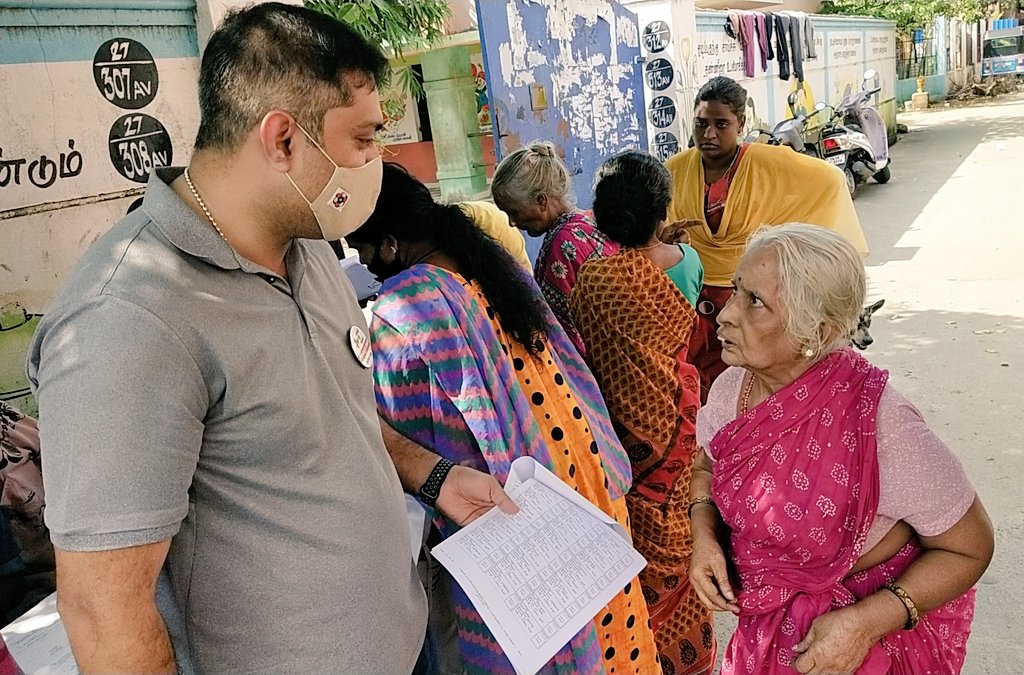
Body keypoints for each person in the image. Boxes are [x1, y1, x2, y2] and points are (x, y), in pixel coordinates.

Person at [27, 5, 513, 673]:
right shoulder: (131, 320)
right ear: (283, 139)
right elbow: (104, 610)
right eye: (366, 139)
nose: (380, 161)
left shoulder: (306, 246)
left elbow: (335, 409)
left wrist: (434, 477)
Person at [345, 162, 661, 674]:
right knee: (608, 630)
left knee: (552, 643)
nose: (363, 262)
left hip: (518, 511)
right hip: (581, 486)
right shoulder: (493, 269)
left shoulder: (405, 308)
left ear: (388, 243)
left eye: (360, 248)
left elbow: (396, 437)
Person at [688, 225, 993, 674]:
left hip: (853, 646)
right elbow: (707, 466)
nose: (725, 313)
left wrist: (866, 623)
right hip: (764, 634)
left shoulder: (881, 423)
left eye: (755, 302)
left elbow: (971, 547)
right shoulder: (733, 387)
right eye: (736, 290)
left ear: (816, 331)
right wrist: (704, 536)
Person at [570, 151, 714, 675]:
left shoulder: (594, 281)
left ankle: (640, 649)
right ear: (661, 213)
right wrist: (669, 241)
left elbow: (587, 344)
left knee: (638, 532)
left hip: (624, 432)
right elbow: (684, 296)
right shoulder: (690, 262)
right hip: (678, 414)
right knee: (680, 515)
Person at [664, 76, 868, 403]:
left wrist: (790, 245)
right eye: (701, 124)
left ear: (741, 124)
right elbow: (656, 223)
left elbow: (829, 180)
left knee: (746, 378)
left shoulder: (765, 162)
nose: (709, 134)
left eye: (721, 124)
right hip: (690, 296)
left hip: (747, 296)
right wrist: (666, 238)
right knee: (696, 380)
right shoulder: (676, 169)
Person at [491, 142, 619, 356]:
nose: (512, 223)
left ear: (541, 201)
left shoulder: (562, 244)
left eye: (514, 212)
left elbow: (563, 334)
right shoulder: (589, 221)